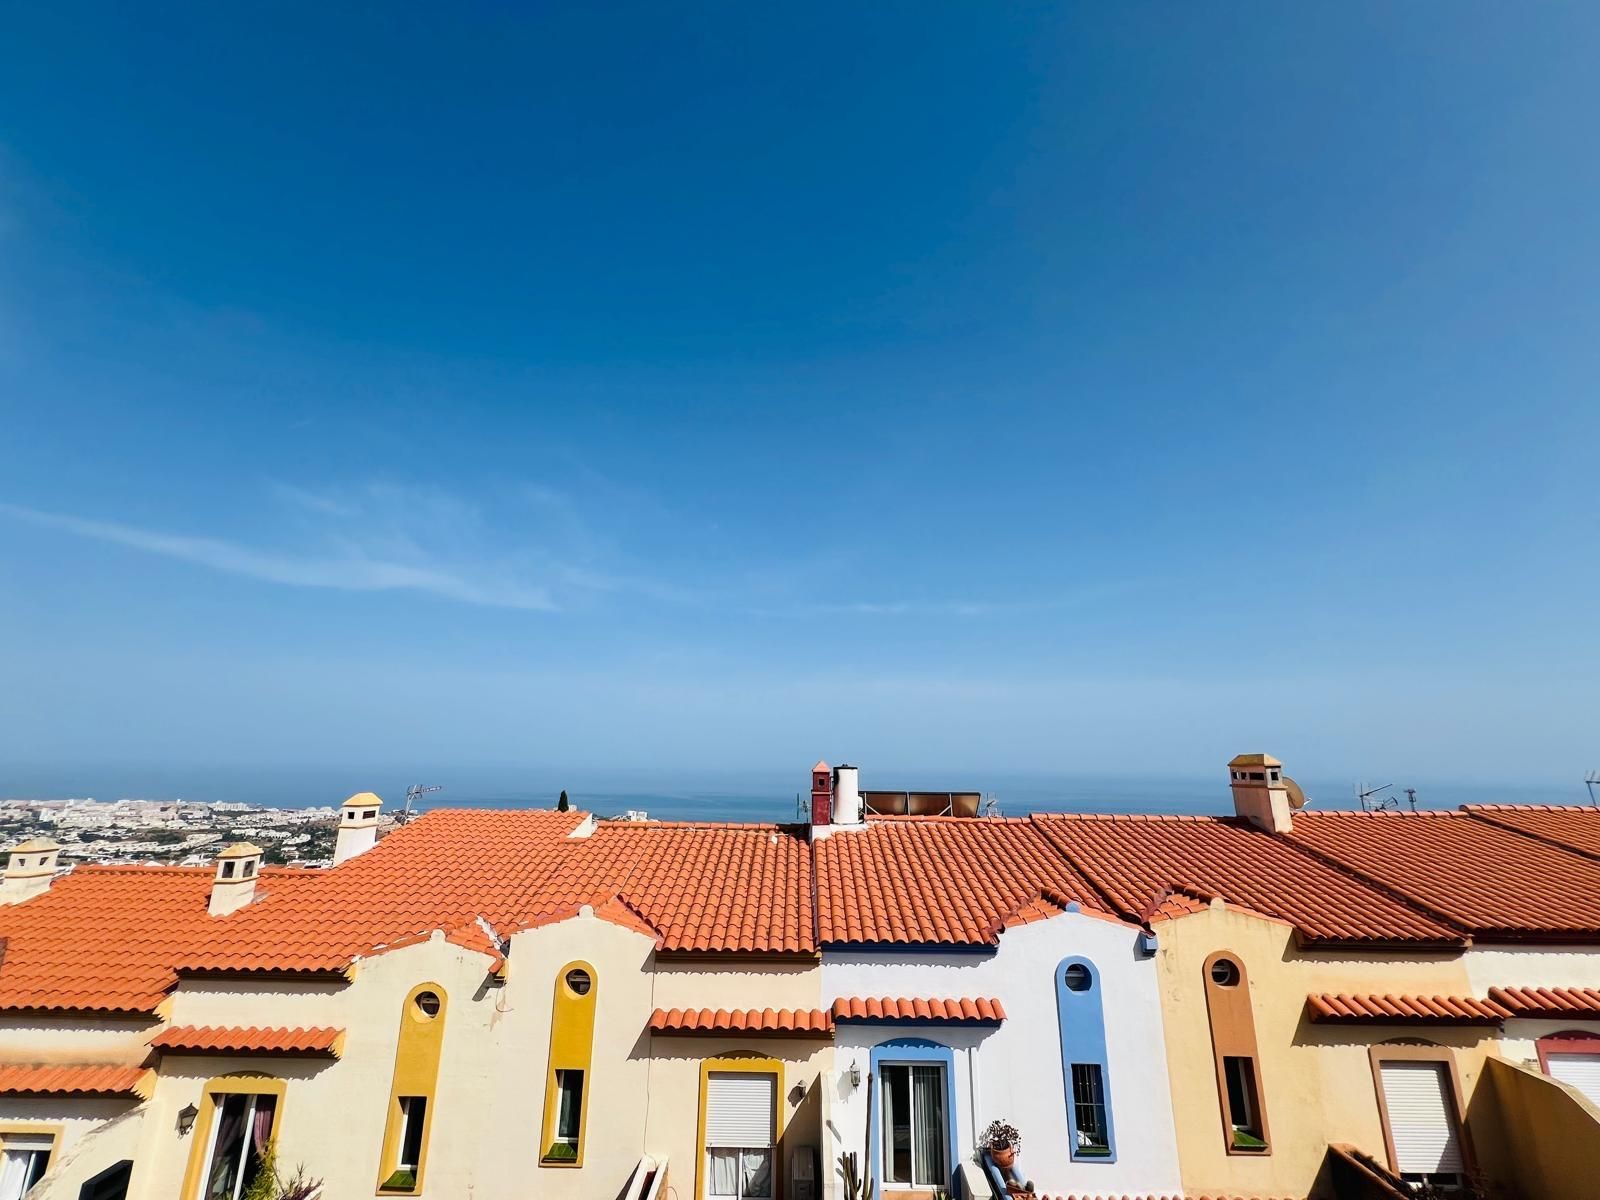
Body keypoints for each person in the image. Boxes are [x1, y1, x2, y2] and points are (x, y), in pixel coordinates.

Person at [977, 1119, 1034, 1198]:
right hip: (1003, 1164)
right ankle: (1020, 1189)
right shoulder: (993, 1160)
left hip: (1004, 1165)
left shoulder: (995, 1160)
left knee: (1010, 1181)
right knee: (1009, 1181)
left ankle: (1019, 1188)